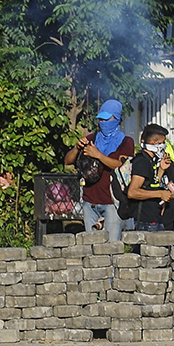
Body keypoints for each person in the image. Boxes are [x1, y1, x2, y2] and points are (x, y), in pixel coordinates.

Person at [64, 99, 134, 242]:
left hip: (112, 203)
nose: (103, 122)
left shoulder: (126, 142)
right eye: (100, 119)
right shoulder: (92, 138)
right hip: (90, 202)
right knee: (91, 248)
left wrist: (98, 155)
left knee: (111, 246)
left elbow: (121, 166)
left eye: (107, 119)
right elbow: (67, 161)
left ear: (116, 118)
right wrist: (77, 147)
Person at [127, 124, 174, 231]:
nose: (164, 146)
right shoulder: (142, 161)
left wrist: (161, 170)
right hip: (146, 221)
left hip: (154, 218)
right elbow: (132, 192)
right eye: (163, 143)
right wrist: (160, 194)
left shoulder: (151, 160)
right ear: (154, 142)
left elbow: (150, 185)